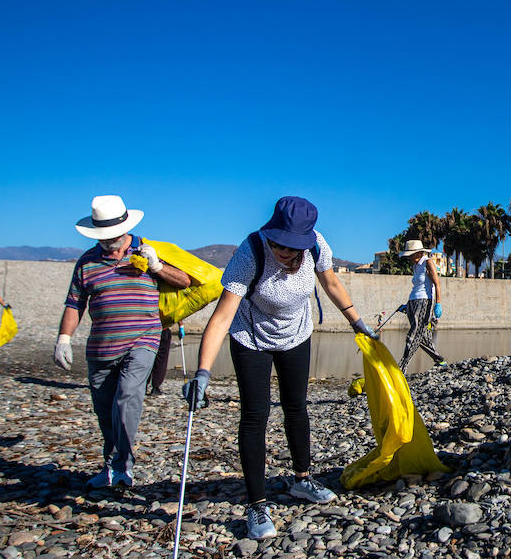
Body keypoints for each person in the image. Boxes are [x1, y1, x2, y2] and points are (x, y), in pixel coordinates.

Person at [182, 196, 378, 540]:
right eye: (279, 244)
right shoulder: (250, 253)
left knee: (296, 407)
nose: (284, 253)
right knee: (255, 415)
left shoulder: (317, 247)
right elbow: (222, 316)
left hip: (296, 334)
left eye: (292, 247)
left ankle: (302, 480)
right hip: (251, 336)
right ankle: (257, 504)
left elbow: (331, 283)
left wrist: (356, 321)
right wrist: (203, 372)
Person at [53, 195, 192, 489]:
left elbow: (185, 281)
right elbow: (74, 303)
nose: (109, 242)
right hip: (101, 347)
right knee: (105, 411)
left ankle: (123, 467)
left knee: (128, 397)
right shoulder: (86, 262)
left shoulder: (149, 250)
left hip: (143, 339)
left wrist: (156, 267)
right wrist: (63, 339)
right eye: (102, 237)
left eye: (113, 235)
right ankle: (110, 465)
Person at [397, 239, 445, 370]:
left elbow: (437, 283)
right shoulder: (415, 265)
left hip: (425, 300)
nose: (409, 258)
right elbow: (417, 285)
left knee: (413, 334)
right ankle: (439, 360)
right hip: (413, 301)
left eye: (411, 255)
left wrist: (438, 303)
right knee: (423, 335)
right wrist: (407, 305)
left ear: (418, 253)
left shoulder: (427, 262)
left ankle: (401, 367)